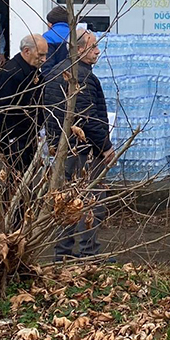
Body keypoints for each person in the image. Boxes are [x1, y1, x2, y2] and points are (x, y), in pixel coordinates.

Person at [43, 30, 115, 261]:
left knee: (65, 201)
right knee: (89, 202)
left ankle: (62, 253)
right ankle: (88, 253)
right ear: (80, 49)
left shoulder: (55, 72)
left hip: (63, 149)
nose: (97, 51)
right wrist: (106, 147)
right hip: (83, 150)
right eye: (93, 46)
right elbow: (88, 118)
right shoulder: (80, 76)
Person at [0, 34, 47, 174]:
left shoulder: (32, 71)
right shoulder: (11, 73)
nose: (44, 60)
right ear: (27, 51)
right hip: (15, 140)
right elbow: (1, 110)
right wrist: (10, 138)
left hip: (29, 136)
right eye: (40, 55)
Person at [42, 6, 71, 73]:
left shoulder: (47, 37)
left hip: (54, 77)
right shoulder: (77, 35)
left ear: (50, 24)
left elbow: (46, 65)